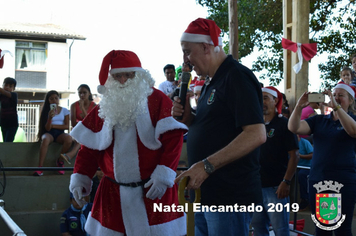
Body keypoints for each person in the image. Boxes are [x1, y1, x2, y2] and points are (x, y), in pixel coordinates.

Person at [69, 50, 188, 236]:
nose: (123, 81)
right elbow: (89, 149)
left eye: (129, 75)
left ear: (139, 75)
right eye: (118, 76)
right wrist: (81, 178)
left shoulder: (158, 100)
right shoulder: (104, 108)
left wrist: (164, 174)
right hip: (113, 197)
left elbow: (173, 138)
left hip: (153, 191)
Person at [172, 18, 266, 236]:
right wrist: (189, 118)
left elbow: (256, 133)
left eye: (187, 52)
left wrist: (206, 166)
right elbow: (213, 127)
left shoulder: (236, 76)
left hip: (230, 195)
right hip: (209, 193)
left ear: (206, 47)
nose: (186, 60)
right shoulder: (210, 81)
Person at [288, 81, 356, 235]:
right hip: (321, 181)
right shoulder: (319, 120)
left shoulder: (353, 119)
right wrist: (299, 106)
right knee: (323, 227)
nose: (336, 98)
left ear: (351, 100)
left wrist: (337, 107)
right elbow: (294, 127)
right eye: (334, 94)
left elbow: (352, 131)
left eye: (341, 96)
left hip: (343, 181)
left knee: (342, 230)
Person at [250, 86, 299, 236]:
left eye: (265, 98)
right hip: (255, 187)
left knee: (281, 231)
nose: (262, 102)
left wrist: (286, 181)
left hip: (276, 188)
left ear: (275, 100)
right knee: (258, 230)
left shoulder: (285, 124)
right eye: (260, 98)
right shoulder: (254, 125)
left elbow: (294, 155)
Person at [33, 90, 72, 176]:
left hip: (60, 133)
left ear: (59, 99)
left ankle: (60, 161)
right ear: (48, 101)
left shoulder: (64, 110)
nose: (54, 100)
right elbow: (47, 128)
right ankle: (40, 167)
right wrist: (50, 118)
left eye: (56, 98)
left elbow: (66, 126)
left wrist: (53, 126)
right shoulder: (46, 111)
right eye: (51, 99)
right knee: (45, 139)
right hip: (49, 133)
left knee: (69, 139)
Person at [60, 84, 96, 164]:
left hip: (89, 132)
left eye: (84, 93)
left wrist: (82, 108)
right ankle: (68, 156)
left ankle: (69, 155)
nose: (82, 95)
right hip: (77, 131)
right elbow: (73, 124)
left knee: (83, 137)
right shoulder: (73, 105)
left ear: (89, 93)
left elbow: (91, 124)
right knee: (81, 137)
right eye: (80, 93)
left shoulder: (94, 106)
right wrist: (84, 123)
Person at [296, 134, 313, 211]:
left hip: (306, 166)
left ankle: (305, 199)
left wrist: (300, 156)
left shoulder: (305, 142)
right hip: (294, 167)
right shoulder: (289, 142)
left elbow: (312, 155)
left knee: (302, 175)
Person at [0, 77, 19, 142]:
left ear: (13, 89)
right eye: (6, 85)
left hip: (12, 124)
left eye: (10, 86)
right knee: (5, 141)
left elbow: (4, 92)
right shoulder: (1, 95)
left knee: (8, 142)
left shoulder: (14, 95)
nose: (7, 87)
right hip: (3, 123)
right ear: (2, 86)